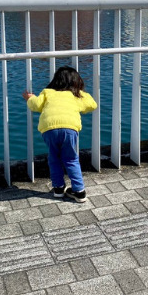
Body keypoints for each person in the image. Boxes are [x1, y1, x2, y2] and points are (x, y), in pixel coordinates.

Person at [22, 66, 97, 203]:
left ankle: (58, 188)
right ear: (76, 82)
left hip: (49, 129)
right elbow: (92, 105)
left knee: (54, 158)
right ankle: (79, 191)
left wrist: (29, 98)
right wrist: (80, 91)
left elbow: (36, 105)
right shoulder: (75, 95)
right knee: (71, 159)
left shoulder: (48, 92)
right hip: (69, 128)